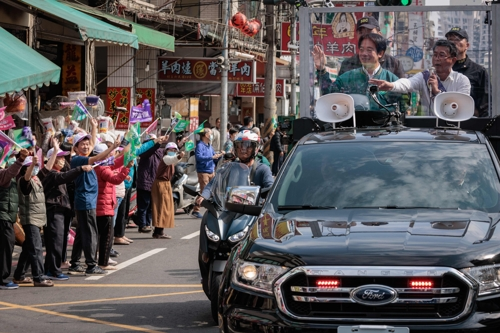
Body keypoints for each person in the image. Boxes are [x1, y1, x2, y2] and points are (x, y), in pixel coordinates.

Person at [68, 121, 122, 276]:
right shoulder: (78, 159)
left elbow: (92, 145)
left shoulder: (85, 156)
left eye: (87, 144)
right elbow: (96, 156)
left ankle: (75, 263)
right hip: (85, 200)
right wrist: (112, 147)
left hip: (88, 200)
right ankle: (91, 265)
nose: (86, 146)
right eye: (82, 144)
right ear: (76, 148)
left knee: (81, 233)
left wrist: (94, 128)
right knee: (90, 234)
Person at [369, 39, 471, 116]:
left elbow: (459, 108)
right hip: (428, 129)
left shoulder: (462, 81)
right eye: (435, 55)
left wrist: (437, 92)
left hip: (453, 129)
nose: (437, 59)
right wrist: (391, 85)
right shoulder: (425, 76)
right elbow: (408, 84)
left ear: (452, 60)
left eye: (441, 55)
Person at [39, 139, 92, 281]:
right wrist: (80, 169)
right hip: (54, 211)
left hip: (62, 211)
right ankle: (53, 270)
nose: (63, 160)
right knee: (55, 242)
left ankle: (51, 268)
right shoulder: (51, 174)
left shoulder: (60, 171)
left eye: (63, 157)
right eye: (60, 157)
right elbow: (64, 176)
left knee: (58, 242)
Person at [315, 33, 402, 111]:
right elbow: (329, 95)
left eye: (369, 50)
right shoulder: (347, 78)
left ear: (380, 53)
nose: (364, 53)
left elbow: (403, 105)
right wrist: (321, 69)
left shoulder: (392, 80)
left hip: (383, 127)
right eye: (361, 49)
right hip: (352, 126)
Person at [196, 130, 274, 204]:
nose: (243, 149)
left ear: (255, 148)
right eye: (239, 145)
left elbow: (271, 188)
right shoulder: (229, 167)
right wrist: (204, 195)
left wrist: (261, 196)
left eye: (248, 145)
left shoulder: (263, 169)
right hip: (230, 211)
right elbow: (213, 183)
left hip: (252, 214)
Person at [13, 155, 53, 287]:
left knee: (28, 248)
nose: (36, 168)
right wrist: (32, 165)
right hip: (30, 219)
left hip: (38, 219)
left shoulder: (37, 180)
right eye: (32, 166)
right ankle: (39, 277)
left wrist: (56, 150)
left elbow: (47, 168)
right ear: (25, 169)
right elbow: (27, 177)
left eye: (36, 166)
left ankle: (19, 275)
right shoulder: (25, 181)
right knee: (36, 249)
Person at [93, 143, 131, 270]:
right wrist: (127, 168)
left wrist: (130, 150)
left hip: (101, 205)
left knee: (100, 236)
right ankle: (103, 263)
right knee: (107, 236)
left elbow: (119, 161)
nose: (111, 155)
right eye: (109, 153)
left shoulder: (98, 166)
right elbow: (116, 180)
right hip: (104, 206)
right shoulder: (103, 169)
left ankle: (97, 260)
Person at [334, 16, 405, 78]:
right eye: (361, 33)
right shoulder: (348, 63)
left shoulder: (394, 64)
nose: (365, 36)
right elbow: (337, 91)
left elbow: (404, 91)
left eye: (370, 32)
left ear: (379, 34)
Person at [0, 148, 29, 290]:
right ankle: (2, 278)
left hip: (8, 217)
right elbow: (9, 172)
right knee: (6, 246)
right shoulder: (2, 174)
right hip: (2, 217)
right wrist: (20, 160)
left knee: (7, 245)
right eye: (8, 156)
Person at [445, 27, 489, 117]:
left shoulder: (479, 71)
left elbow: (486, 104)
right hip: (442, 118)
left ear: (467, 45)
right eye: (450, 40)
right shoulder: (442, 69)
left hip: (469, 124)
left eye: (457, 39)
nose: (453, 42)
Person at [135, 134, 169, 233]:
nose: (156, 141)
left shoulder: (158, 151)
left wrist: (179, 144)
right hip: (144, 181)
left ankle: (147, 224)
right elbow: (149, 151)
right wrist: (156, 143)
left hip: (154, 182)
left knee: (150, 206)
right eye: (153, 140)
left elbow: (167, 153)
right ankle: (142, 225)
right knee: (143, 205)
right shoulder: (144, 150)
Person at [151, 142, 185, 239]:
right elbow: (173, 159)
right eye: (171, 150)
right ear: (166, 150)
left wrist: (179, 154)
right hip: (161, 184)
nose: (173, 151)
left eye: (174, 150)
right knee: (161, 208)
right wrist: (179, 156)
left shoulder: (170, 161)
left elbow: (174, 160)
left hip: (165, 184)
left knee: (164, 207)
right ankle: (158, 232)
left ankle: (159, 231)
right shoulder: (166, 158)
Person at [192, 128, 223, 218]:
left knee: (213, 190)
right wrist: (211, 157)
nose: (212, 135)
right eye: (211, 133)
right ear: (206, 135)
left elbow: (214, 157)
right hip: (203, 171)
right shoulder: (200, 145)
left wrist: (220, 156)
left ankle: (213, 208)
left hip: (211, 170)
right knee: (204, 191)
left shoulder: (210, 146)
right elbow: (198, 157)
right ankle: (196, 209)